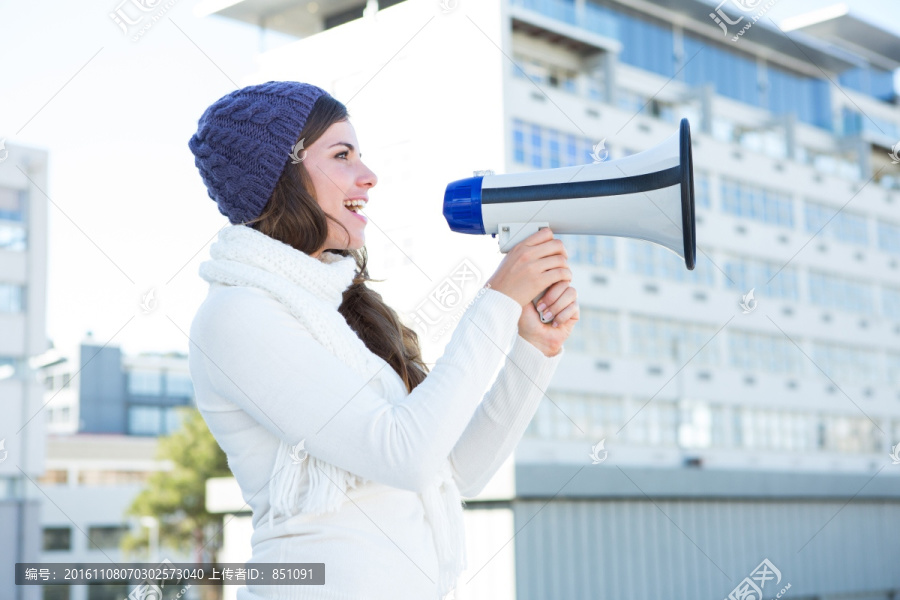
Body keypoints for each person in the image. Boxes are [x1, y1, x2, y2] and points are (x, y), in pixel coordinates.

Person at [186, 80, 579, 600]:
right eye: (342, 155)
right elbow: (404, 455)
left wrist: (532, 348)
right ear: (283, 177)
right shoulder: (236, 316)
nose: (368, 177)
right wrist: (498, 301)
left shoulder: (339, 310)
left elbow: (452, 472)